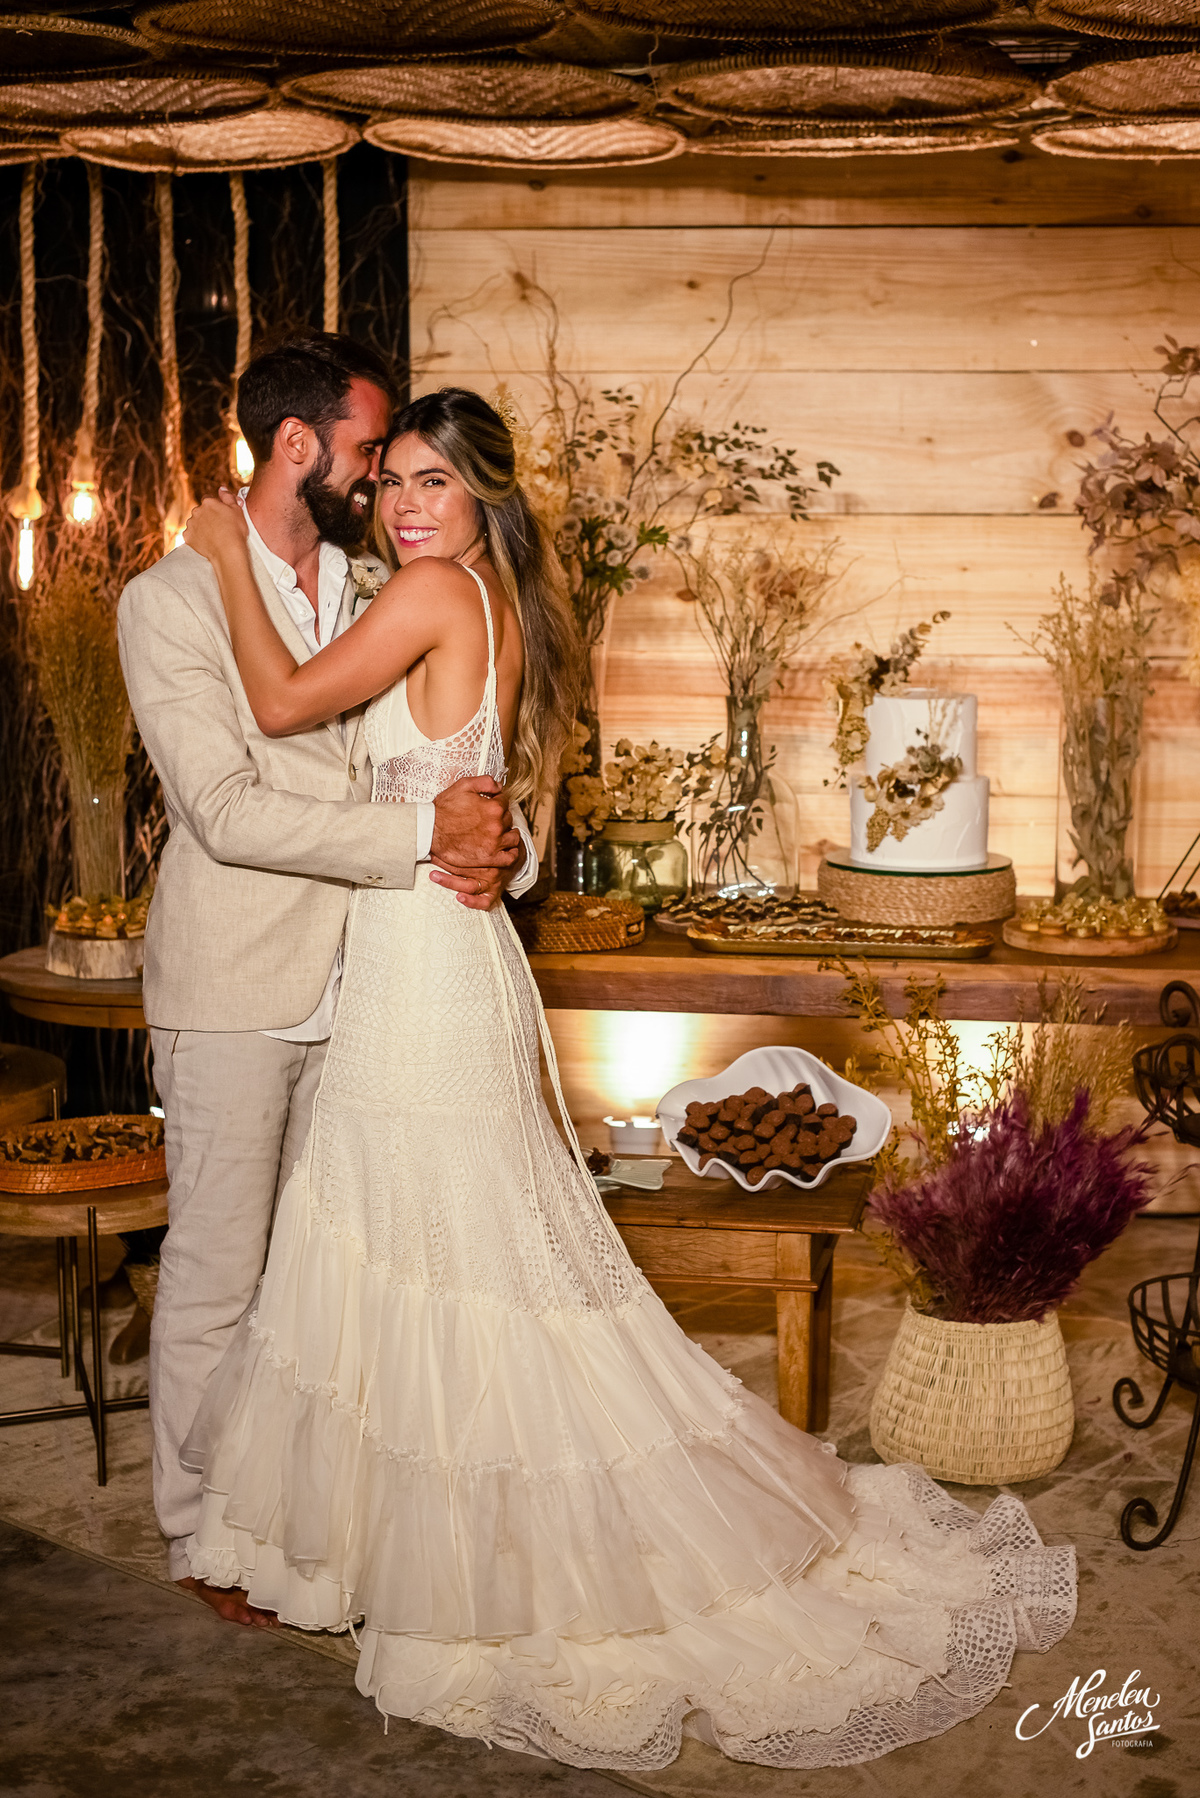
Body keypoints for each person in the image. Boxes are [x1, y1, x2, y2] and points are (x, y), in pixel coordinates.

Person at [178, 386, 1075, 1771]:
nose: (406, 504)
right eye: (393, 480)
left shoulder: (432, 591)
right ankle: (427, 1537)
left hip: (423, 972)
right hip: (437, 954)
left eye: (432, 481)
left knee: (437, 1246)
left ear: (481, 493)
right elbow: (449, 785)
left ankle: (471, 1556)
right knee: (447, 1247)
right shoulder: (493, 600)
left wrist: (224, 558)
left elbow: (285, 701)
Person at [117, 341, 539, 1628]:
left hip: (378, 987)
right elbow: (228, 808)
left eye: (412, 473)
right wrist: (426, 838)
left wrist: (502, 846)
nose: (383, 487)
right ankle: (199, 1534)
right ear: (299, 445)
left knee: (328, 1287)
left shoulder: (381, 579)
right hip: (237, 980)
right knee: (217, 1277)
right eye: (370, 458)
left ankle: (307, 1524)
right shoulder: (171, 599)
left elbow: (460, 754)